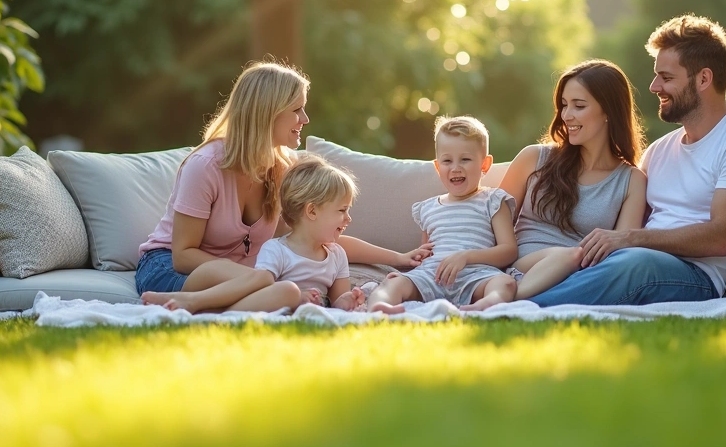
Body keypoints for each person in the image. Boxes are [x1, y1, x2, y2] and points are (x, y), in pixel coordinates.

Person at [137, 61, 429, 313]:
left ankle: (206, 311)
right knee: (272, 282)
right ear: (268, 113)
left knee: (286, 290)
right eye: (297, 110)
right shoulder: (206, 165)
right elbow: (183, 255)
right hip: (172, 270)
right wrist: (257, 276)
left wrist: (398, 257)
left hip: (243, 277)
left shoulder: (284, 168)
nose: (305, 119)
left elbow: (315, 236)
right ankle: (192, 301)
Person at [525, 15, 726, 306]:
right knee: (604, 260)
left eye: (667, 77)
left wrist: (632, 239)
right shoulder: (660, 150)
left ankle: (516, 307)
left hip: (692, 276)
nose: (654, 86)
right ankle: (507, 293)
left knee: (634, 264)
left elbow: (722, 237)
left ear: (704, 79)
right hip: (634, 260)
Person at [495, 60, 648, 306]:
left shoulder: (631, 180)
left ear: (609, 111)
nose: (566, 115)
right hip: (518, 268)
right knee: (571, 255)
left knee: (580, 259)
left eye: (579, 106)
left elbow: (620, 254)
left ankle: (509, 299)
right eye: (564, 105)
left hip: (577, 281)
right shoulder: (534, 158)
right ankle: (508, 295)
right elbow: (491, 221)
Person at [368, 116, 518, 314]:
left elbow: (509, 251)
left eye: (465, 159)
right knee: (392, 283)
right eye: (447, 161)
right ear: (438, 166)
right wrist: (415, 261)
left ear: (485, 164)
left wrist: (466, 257)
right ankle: (381, 307)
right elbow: (427, 251)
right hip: (432, 275)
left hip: (476, 275)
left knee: (505, 283)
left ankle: (485, 305)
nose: (456, 168)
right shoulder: (428, 207)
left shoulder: (493, 200)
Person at [253, 154, 366, 311]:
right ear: (312, 211)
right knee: (288, 290)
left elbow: (336, 307)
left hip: (312, 321)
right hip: (278, 314)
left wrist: (347, 300)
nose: (349, 219)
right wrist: (298, 298)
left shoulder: (337, 255)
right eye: (342, 210)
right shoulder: (276, 250)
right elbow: (261, 295)